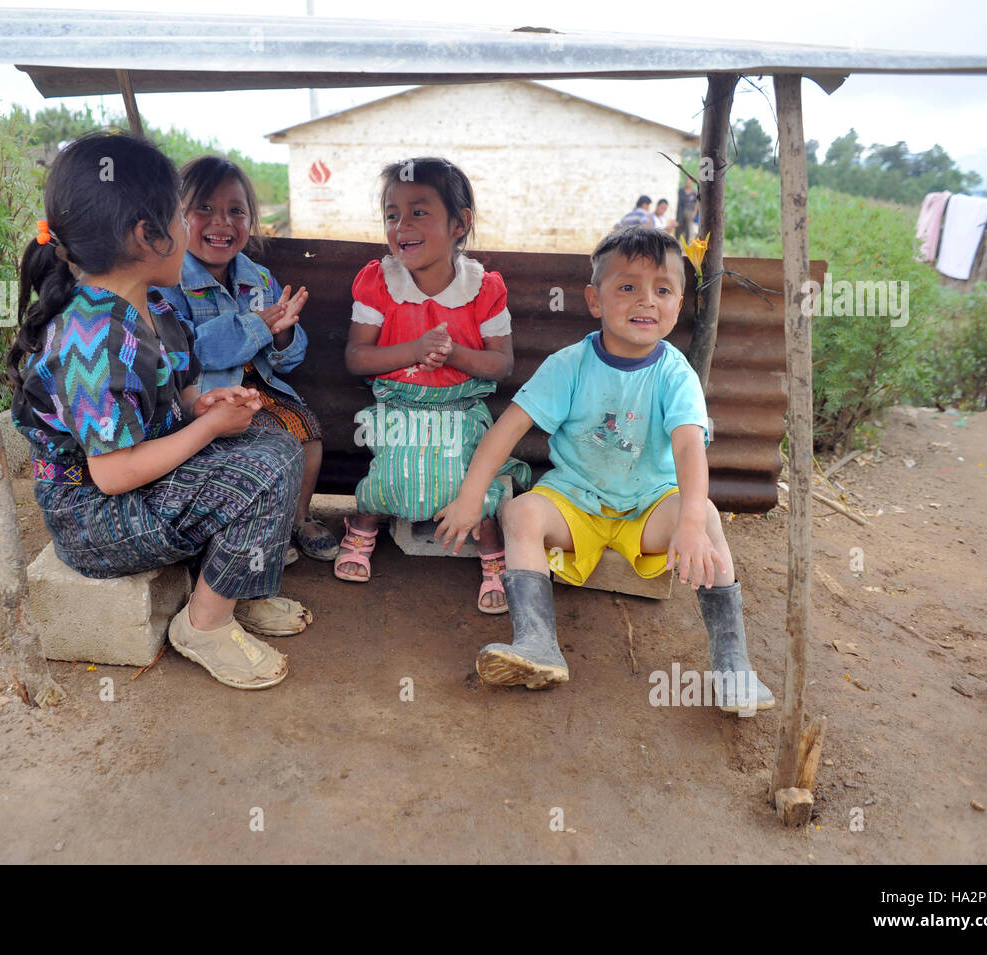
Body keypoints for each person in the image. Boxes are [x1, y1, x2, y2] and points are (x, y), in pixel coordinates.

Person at [434, 227, 776, 713]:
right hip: (576, 501)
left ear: (679, 305)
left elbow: (688, 451)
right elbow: (507, 428)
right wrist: (472, 497)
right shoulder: (568, 364)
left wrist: (692, 524)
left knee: (709, 518)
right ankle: (537, 645)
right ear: (595, 299)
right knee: (522, 515)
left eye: (662, 289)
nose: (646, 301)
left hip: (649, 505)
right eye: (627, 287)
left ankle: (733, 667)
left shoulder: (676, 374)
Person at [8, 133, 305, 690]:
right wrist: (211, 429)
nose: (190, 228)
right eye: (180, 215)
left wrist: (204, 405)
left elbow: (179, 389)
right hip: (94, 517)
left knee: (275, 443)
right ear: (147, 234)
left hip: (146, 484)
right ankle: (206, 626)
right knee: (259, 471)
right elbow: (113, 473)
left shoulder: (154, 304)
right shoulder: (90, 339)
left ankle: (235, 591)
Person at [338, 157, 530, 613]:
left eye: (419, 211)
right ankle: (363, 527)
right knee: (389, 470)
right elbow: (356, 358)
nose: (402, 225)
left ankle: (492, 556)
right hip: (399, 404)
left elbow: (502, 364)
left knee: (470, 477)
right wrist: (413, 350)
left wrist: (456, 356)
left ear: (460, 223)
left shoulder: (483, 288)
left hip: (460, 409)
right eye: (391, 214)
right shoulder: (378, 283)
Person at [157, 154, 340, 578]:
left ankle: (298, 518)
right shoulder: (171, 281)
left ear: (251, 221)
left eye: (235, 211)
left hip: (263, 387)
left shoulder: (258, 279)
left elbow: (292, 358)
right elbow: (193, 351)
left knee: (306, 433)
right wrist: (257, 325)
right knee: (250, 449)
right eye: (204, 208)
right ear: (177, 218)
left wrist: (283, 336)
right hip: (207, 393)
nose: (221, 223)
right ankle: (260, 532)